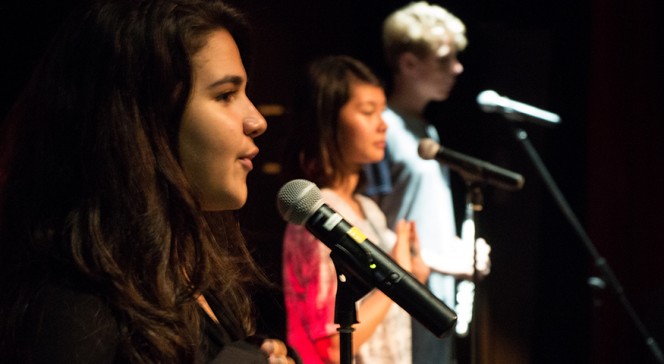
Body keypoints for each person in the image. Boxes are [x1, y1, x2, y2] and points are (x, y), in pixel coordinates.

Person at [0, 0, 295, 363]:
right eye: (225, 95)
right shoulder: (72, 304)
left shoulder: (190, 267)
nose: (256, 120)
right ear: (142, 119)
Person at [281, 55, 430, 364]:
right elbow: (333, 348)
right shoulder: (318, 217)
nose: (383, 124)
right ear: (330, 120)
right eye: (367, 111)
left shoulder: (368, 209)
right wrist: (396, 275)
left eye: (383, 110)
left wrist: (413, 273)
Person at [366, 2, 492, 363]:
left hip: (435, 294)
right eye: (443, 59)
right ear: (408, 64)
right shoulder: (382, 129)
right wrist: (440, 260)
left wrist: (459, 251)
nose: (457, 68)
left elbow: (422, 215)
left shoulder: (426, 128)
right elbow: (369, 222)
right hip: (404, 295)